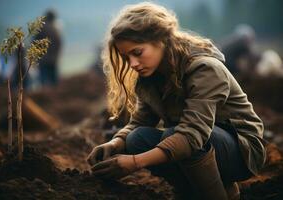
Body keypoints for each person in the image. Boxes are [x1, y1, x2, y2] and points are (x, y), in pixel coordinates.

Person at [87, 3, 266, 200]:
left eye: (137, 53)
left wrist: (135, 162)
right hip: (199, 141)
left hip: (242, 152)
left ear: (161, 40)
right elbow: (140, 122)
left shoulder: (205, 69)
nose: (133, 64)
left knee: (177, 136)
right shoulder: (149, 76)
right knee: (137, 138)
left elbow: (192, 135)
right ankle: (194, 190)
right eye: (126, 57)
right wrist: (115, 144)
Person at [35, 9, 62, 87]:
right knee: (54, 84)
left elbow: (34, 43)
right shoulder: (55, 29)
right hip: (53, 60)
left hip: (43, 61)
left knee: (43, 83)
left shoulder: (41, 28)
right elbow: (59, 43)